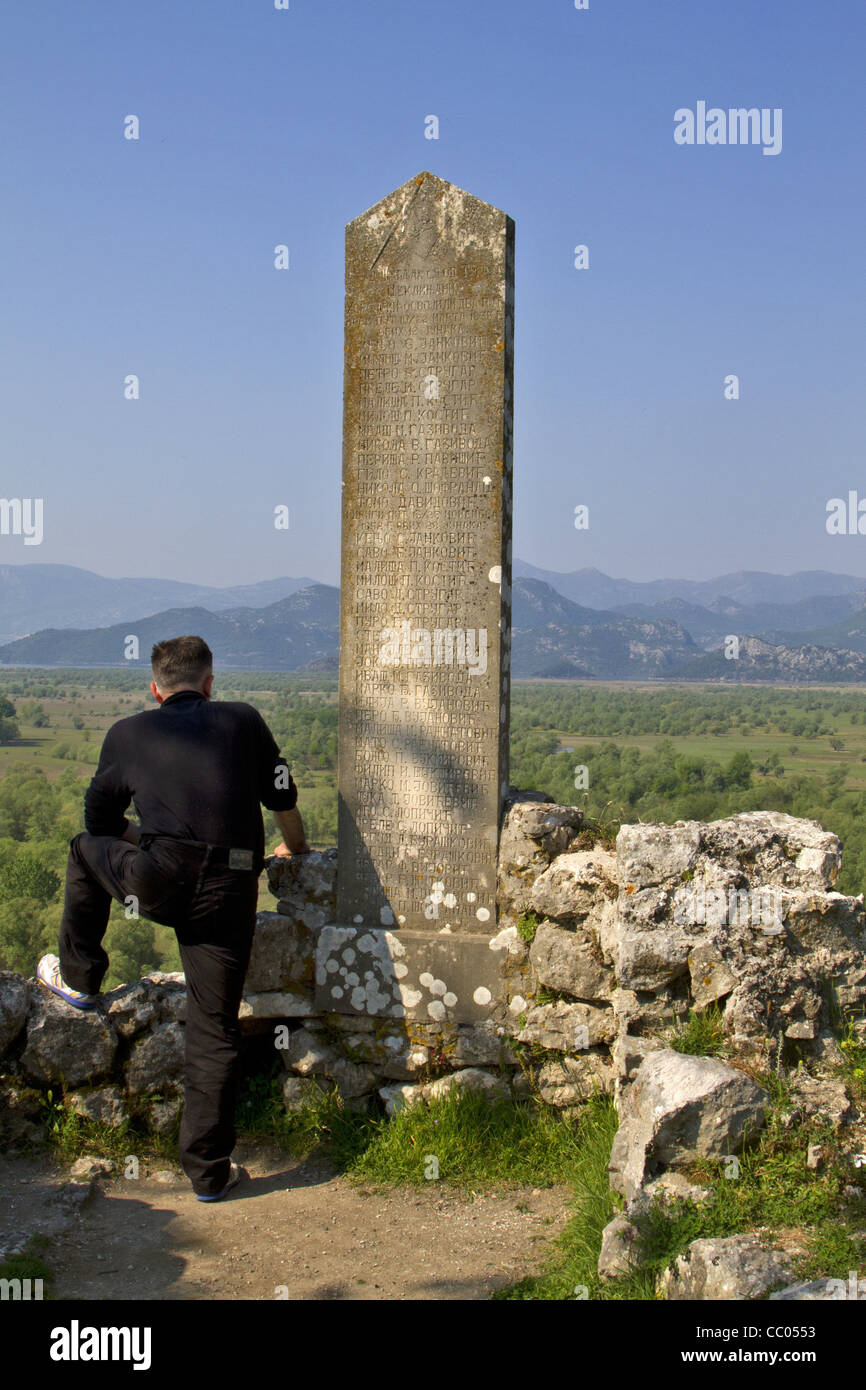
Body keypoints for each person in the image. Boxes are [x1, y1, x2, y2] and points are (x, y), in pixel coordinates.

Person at [37, 635, 309, 1201]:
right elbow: (281, 795)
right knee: (214, 1025)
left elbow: (100, 823)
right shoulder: (243, 720)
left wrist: (154, 842)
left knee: (81, 847)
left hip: (158, 880)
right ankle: (209, 1176)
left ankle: (80, 979)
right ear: (210, 683)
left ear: (155, 687)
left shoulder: (128, 733)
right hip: (232, 888)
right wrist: (297, 850)